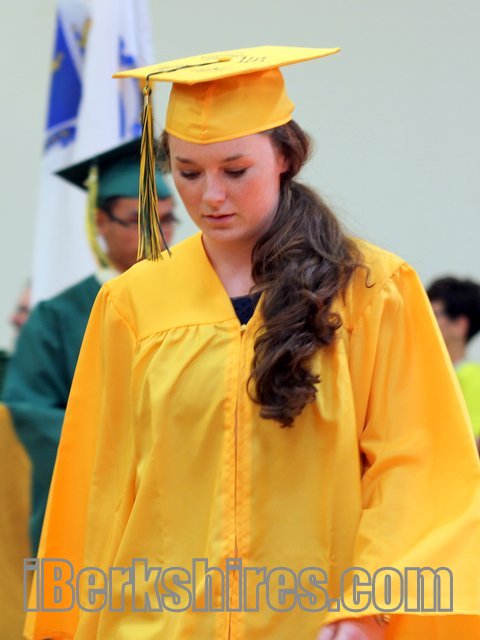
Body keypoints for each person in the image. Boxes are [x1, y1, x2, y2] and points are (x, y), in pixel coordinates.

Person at [25, 46, 480, 640]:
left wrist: (370, 603)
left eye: (235, 171)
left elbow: (413, 465)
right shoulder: (132, 303)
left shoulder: (370, 291)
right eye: (188, 173)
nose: (210, 196)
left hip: (316, 622)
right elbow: (99, 484)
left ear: (285, 157)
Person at [2, 137, 177, 553]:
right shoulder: (57, 315)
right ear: (100, 222)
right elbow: (29, 410)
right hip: (91, 507)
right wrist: (123, 450)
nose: (158, 233)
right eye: (138, 220)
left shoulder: (193, 303)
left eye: (168, 219)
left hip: (177, 505)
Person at [427, 276, 480, 446]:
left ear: (460, 325)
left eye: (434, 314)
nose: (425, 320)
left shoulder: (473, 376)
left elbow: (472, 442)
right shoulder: (423, 374)